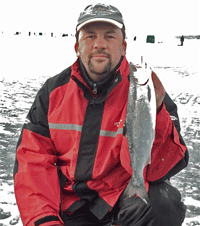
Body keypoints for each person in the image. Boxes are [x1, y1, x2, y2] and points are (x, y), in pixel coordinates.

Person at [13, 3, 189, 226]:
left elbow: (162, 167)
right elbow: (33, 162)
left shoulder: (146, 91)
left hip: (121, 199)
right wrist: (45, 220)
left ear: (124, 46)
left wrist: (155, 112)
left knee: (163, 204)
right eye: (90, 36)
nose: (99, 44)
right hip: (70, 205)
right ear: (77, 46)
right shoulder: (53, 92)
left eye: (109, 36)